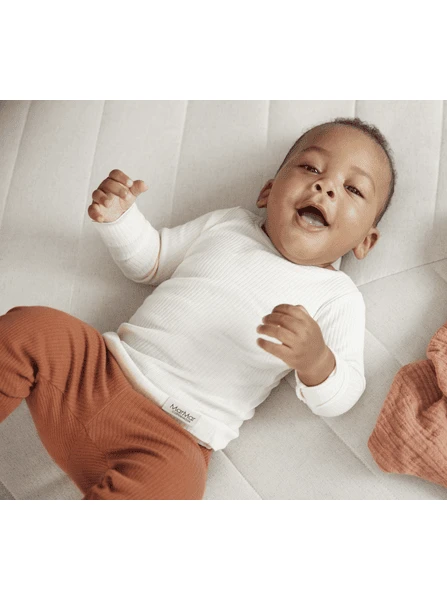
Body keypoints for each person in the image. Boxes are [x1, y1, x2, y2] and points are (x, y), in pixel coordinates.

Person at [0, 117, 396, 499]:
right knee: (30, 328)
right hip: (98, 372)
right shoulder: (228, 226)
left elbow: (345, 393)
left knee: (176, 488)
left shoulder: (336, 295)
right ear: (267, 191)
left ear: (366, 241)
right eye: (311, 167)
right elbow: (153, 261)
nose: (326, 186)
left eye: (353, 189)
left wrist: (316, 360)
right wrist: (121, 220)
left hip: (174, 437)